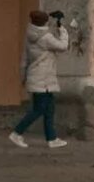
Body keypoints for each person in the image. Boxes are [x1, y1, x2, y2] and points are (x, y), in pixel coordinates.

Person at [9, 10, 70, 149]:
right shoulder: (46, 38)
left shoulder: (29, 35)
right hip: (44, 80)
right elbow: (63, 46)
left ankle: (52, 138)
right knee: (39, 109)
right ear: (44, 22)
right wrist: (62, 30)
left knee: (49, 109)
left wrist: (23, 76)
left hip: (35, 77)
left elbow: (24, 58)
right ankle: (17, 133)